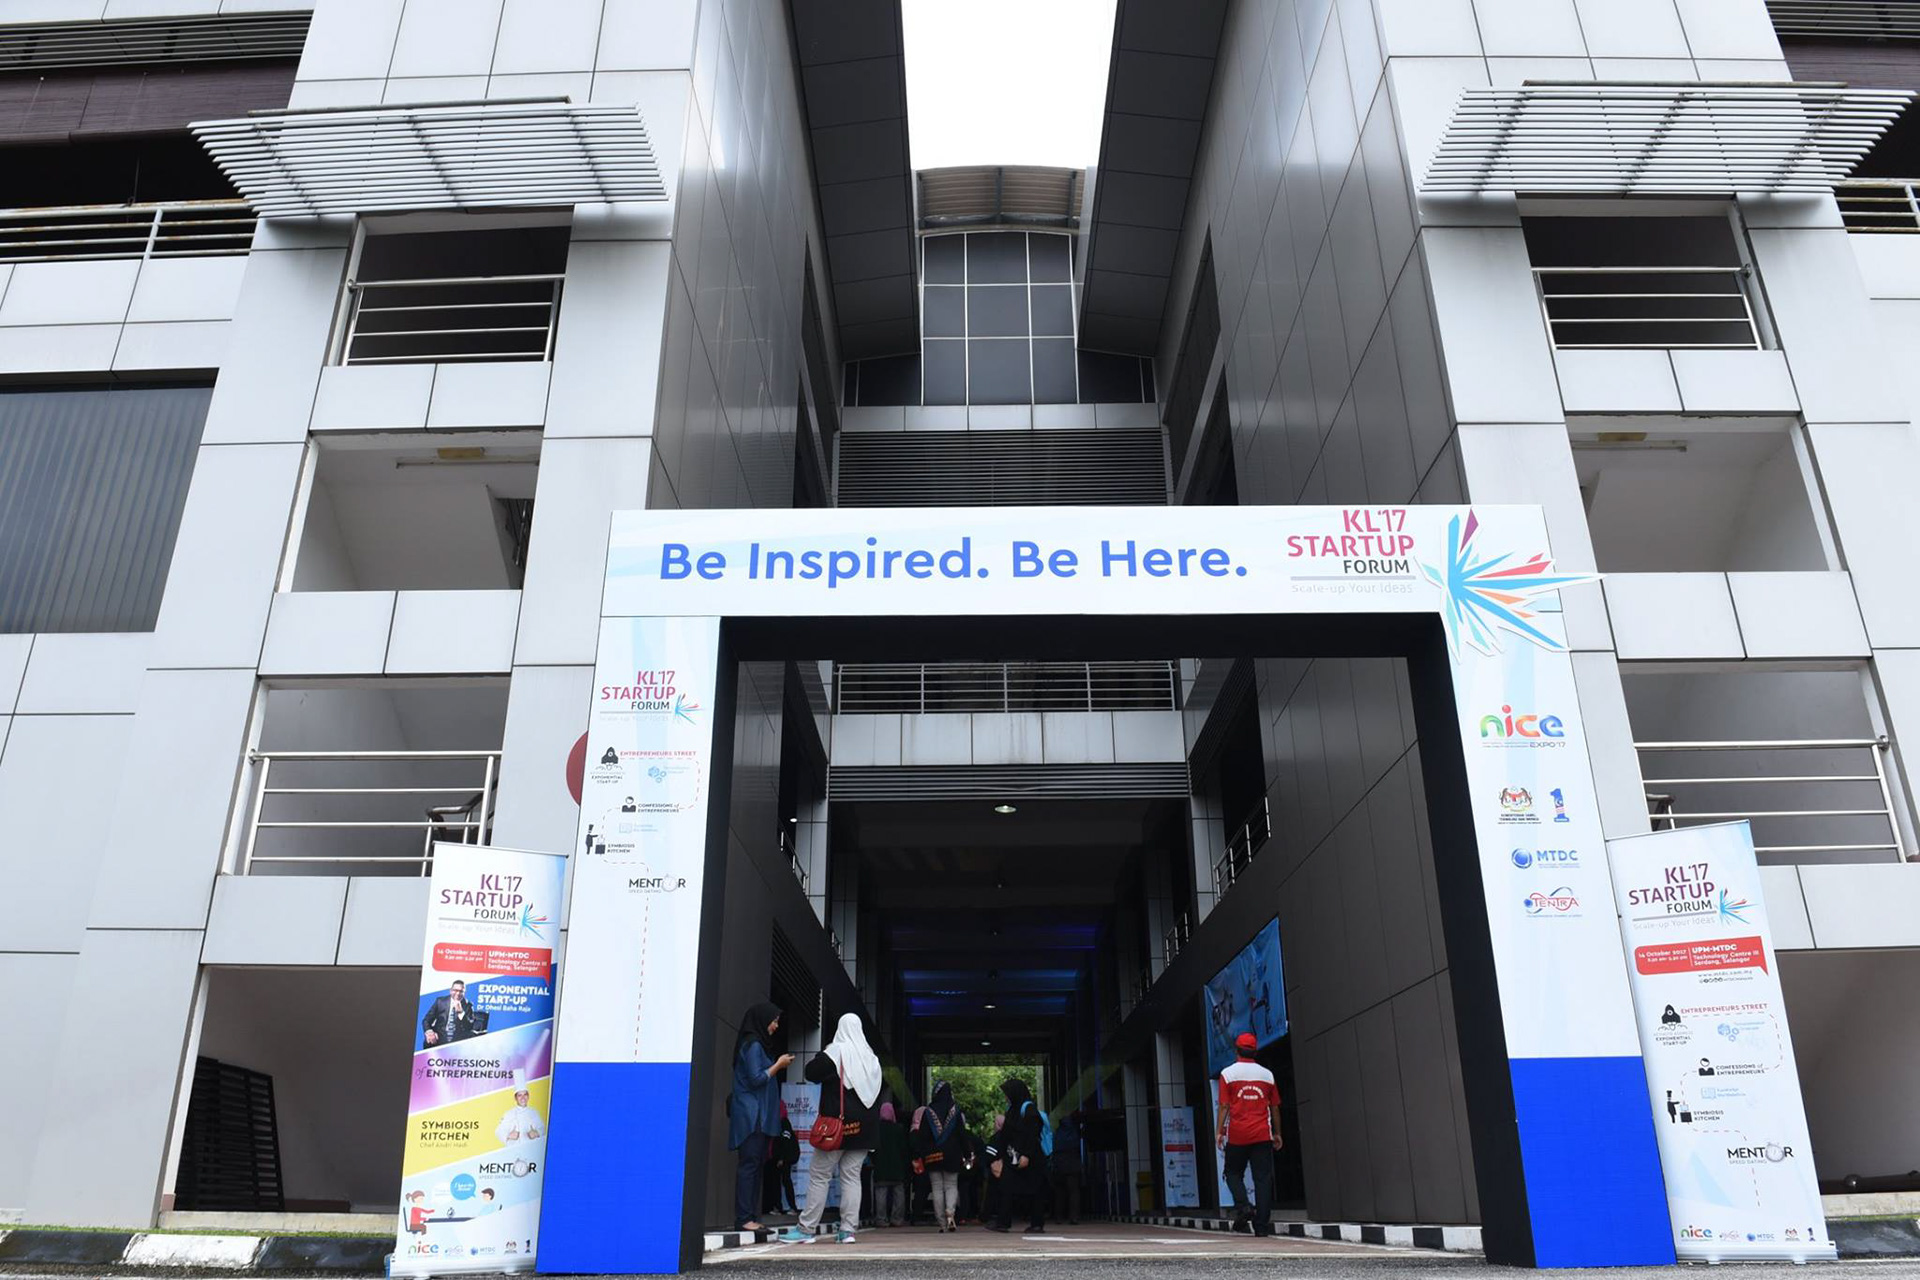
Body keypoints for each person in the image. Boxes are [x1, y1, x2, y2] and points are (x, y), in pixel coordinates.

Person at [781, 1013, 881, 1245]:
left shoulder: (835, 1052)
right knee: (852, 1177)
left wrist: (825, 1052)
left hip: (837, 1127)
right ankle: (847, 1231)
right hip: (864, 1130)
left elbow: (810, 1073)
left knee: (819, 1175)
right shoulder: (871, 1058)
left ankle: (806, 1229)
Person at [728, 1001, 793, 1233]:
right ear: (762, 1020)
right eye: (774, 1021)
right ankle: (745, 1219)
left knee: (755, 1166)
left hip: (757, 1116)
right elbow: (756, 1079)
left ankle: (749, 1217)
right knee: (750, 1166)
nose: (776, 1026)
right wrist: (778, 1065)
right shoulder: (753, 1044)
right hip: (752, 1117)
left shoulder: (757, 1044)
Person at [1215, 1031, 1282, 1237]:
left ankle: (1244, 1206)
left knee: (1232, 1173)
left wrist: (1219, 1131)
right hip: (1262, 1135)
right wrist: (1277, 1133)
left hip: (1238, 1135)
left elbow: (1224, 1106)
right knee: (1263, 1179)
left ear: (1236, 1050)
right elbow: (1274, 1107)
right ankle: (1261, 1227)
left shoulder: (1228, 1074)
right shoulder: (1267, 1075)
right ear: (1255, 1052)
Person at [985, 1079, 1047, 1234]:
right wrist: (999, 1157)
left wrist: (1026, 1155)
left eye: (1007, 1093)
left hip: (1031, 1158)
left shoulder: (1029, 1109)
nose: (1006, 1097)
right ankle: (1003, 1222)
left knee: (1036, 1190)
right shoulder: (1013, 1110)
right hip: (1013, 1156)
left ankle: (1037, 1224)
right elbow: (1005, 1136)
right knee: (1005, 1186)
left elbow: (1033, 1134)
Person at [912, 1080, 970, 1232]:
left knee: (937, 1187)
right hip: (952, 1155)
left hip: (933, 1156)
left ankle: (942, 1223)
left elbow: (922, 1136)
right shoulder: (955, 1111)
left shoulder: (928, 1111)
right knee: (951, 1185)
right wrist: (967, 1154)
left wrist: (917, 1155)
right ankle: (950, 1211)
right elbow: (962, 1135)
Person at [871, 1102, 911, 1227]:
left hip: (881, 1167)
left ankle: (881, 1219)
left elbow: (872, 1150)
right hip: (897, 1167)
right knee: (899, 1193)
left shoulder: (876, 1129)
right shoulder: (899, 1129)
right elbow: (904, 1149)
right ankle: (897, 1219)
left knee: (881, 1193)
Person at [763, 1102, 800, 1216]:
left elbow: (785, 1141)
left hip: (783, 1158)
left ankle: (792, 1207)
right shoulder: (774, 1122)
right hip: (775, 1158)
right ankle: (777, 1207)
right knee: (776, 1183)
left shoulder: (783, 1122)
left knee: (785, 1181)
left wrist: (782, 1158)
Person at [1051, 1110, 1085, 1225]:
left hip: (1059, 1164)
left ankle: (1058, 1217)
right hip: (1072, 1163)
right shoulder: (1074, 1130)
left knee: (1059, 1192)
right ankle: (1074, 1217)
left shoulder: (1058, 1131)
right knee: (1074, 1191)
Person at [421, 980, 477, 1047]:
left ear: (464, 992)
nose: (458, 993)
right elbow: (426, 1020)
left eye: (461, 991)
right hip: (439, 1037)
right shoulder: (440, 1001)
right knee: (429, 1042)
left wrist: (461, 1013)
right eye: (455, 990)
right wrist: (429, 1032)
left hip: (457, 1041)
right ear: (450, 991)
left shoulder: (468, 1005)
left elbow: (470, 1027)